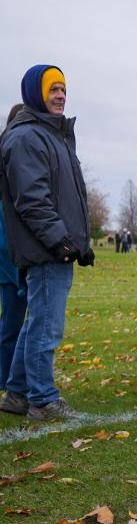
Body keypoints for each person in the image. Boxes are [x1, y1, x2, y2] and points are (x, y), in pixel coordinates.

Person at [0, 66, 94, 421]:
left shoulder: (52, 135)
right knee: (45, 325)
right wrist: (61, 241)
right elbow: (33, 199)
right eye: (53, 89)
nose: (60, 96)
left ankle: (19, 393)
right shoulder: (27, 137)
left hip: (55, 247)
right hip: (45, 249)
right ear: (34, 93)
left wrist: (78, 243)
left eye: (63, 89)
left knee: (36, 321)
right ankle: (43, 399)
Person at [0, 107, 29, 411]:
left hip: (23, 254)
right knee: (12, 321)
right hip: (10, 258)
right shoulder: (8, 152)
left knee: (30, 320)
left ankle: (18, 379)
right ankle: (9, 380)